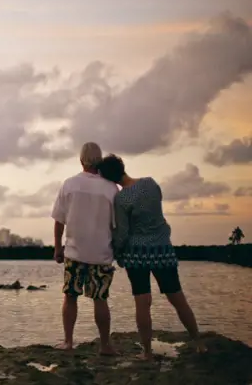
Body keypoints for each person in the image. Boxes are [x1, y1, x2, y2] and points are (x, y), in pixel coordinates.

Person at [97, 154, 207, 360]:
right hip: (162, 250)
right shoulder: (151, 183)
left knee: (142, 302)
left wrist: (117, 253)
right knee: (178, 299)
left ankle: (147, 352)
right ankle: (199, 343)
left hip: (136, 254)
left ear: (109, 179)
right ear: (122, 167)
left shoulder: (122, 199)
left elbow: (122, 234)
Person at [51, 142, 119, 354]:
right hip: (101, 253)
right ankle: (105, 345)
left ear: (81, 160)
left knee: (70, 296)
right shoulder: (110, 188)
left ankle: (68, 341)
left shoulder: (69, 184)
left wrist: (57, 248)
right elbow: (116, 225)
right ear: (99, 161)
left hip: (75, 251)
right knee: (100, 299)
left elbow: (59, 220)